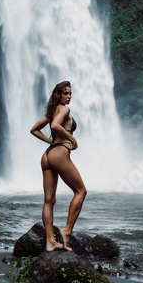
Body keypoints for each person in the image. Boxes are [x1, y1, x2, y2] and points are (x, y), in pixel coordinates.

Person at [30, 81, 87, 252]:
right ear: (58, 95)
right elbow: (55, 126)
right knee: (81, 191)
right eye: (65, 93)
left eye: (70, 94)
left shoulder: (51, 112)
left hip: (48, 155)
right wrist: (72, 139)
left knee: (49, 200)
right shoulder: (64, 109)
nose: (69, 97)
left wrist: (50, 142)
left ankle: (50, 241)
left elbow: (34, 130)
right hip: (60, 153)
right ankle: (67, 230)